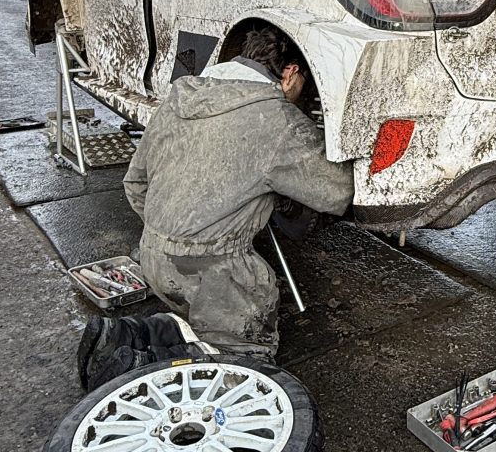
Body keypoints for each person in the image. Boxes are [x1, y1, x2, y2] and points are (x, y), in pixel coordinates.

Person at [117, 26, 354, 356]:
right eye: (304, 83)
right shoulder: (279, 119)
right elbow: (339, 192)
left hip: (152, 256)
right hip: (214, 278)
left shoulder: (178, 97)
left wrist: (177, 234)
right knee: (243, 364)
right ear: (290, 73)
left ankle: (130, 336)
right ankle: (136, 362)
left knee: (200, 328)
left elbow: (135, 184)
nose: (302, 92)